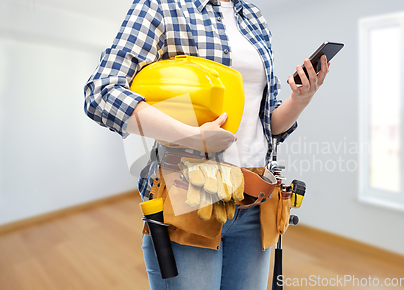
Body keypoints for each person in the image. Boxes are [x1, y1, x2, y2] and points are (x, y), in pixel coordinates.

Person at [84, 0, 330, 289]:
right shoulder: (161, 6)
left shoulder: (253, 16)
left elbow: (269, 125)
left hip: (254, 198)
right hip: (190, 197)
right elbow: (101, 92)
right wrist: (191, 137)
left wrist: (301, 99)